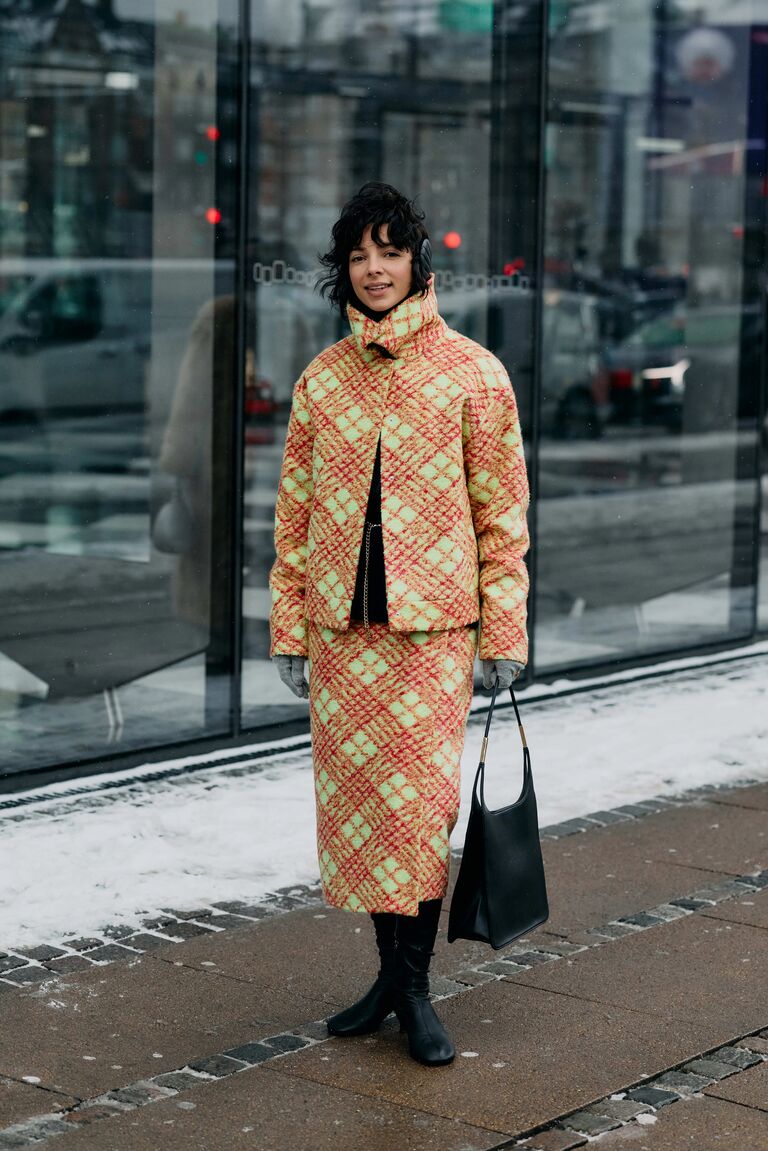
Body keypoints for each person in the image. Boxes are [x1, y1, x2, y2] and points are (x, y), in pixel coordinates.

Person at [269, 182, 529, 1067]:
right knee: (363, 816)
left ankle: (414, 990)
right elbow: (294, 514)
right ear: (341, 269)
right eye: (357, 255)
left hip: (432, 639)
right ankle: (387, 977)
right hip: (345, 637)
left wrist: (504, 633)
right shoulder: (322, 379)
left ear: (419, 261)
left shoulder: (473, 372)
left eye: (389, 251)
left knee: (416, 813)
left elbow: (503, 515)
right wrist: (290, 628)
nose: (373, 269)